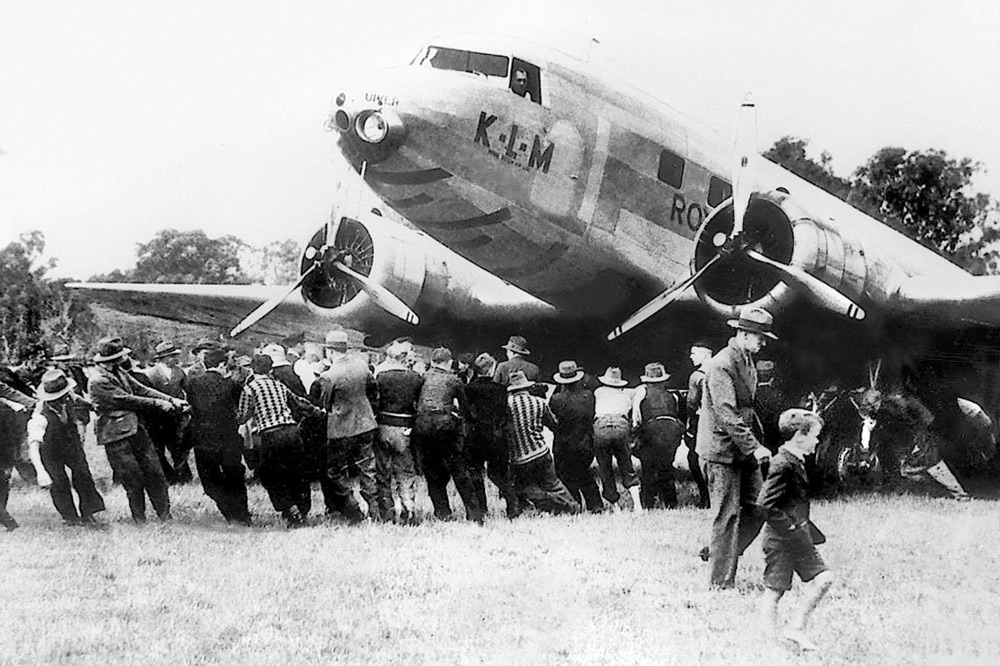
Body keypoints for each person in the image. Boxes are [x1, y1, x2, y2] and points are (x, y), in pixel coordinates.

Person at [697, 306, 775, 589]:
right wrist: (754, 447)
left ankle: (718, 551)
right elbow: (726, 412)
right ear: (743, 334)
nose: (763, 342)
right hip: (721, 450)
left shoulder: (746, 358)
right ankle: (720, 582)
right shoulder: (721, 364)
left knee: (760, 507)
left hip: (741, 447)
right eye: (759, 336)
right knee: (727, 515)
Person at [758, 409, 834, 651]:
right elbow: (764, 505)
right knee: (774, 592)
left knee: (824, 579)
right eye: (814, 435)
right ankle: (770, 645)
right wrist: (790, 526)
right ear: (799, 436)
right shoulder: (782, 464)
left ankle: (795, 628)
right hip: (782, 540)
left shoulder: (795, 460)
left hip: (798, 537)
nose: (817, 440)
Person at [88, 336, 186, 523]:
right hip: (115, 435)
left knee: (155, 473)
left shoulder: (119, 372)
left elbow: (140, 389)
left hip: (136, 429)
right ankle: (140, 520)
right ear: (112, 359)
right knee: (133, 478)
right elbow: (126, 399)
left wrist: (171, 400)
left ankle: (165, 516)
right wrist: (159, 404)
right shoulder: (98, 380)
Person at [239, 354, 320, 528]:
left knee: (271, 475)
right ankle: (302, 509)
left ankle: (289, 507)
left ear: (252, 369)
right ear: (270, 369)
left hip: (271, 435)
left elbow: (243, 416)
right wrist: (317, 412)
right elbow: (299, 403)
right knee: (297, 473)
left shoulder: (249, 388)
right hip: (292, 432)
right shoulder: (279, 385)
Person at [311, 330, 380, 523]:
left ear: (330, 351)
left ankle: (353, 509)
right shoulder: (362, 366)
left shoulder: (328, 376)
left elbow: (325, 404)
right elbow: (373, 392)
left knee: (335, 471)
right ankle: (376, 512)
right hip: (366, 424)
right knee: (368, 468)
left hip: (341, 430)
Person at [858, 388, 971, 500]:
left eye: (870, 407)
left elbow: (916, 423)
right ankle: (901, 488)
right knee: (918, 465)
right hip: (913, 433)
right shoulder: (884, 408)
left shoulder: (897, 406)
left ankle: (959, 494)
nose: (870, 411)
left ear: (877, 403)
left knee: (929, 465)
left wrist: (917, 443)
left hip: (921, 432)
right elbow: (869, 426)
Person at [26, 369, 106, 526]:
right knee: (59, 482)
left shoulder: (68, 397)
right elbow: (33, 447)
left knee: (83, 474)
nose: (64, 398)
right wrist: (41, 472)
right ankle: (70, 517)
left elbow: (77, 400)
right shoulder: (39, 417)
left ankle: (88, 512)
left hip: (70, 443)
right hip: (50, 451)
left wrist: (92, 406)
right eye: (59, 397)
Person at [414, 347, 483, 523]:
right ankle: (474, 514)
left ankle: (442, 512)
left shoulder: (422, 378)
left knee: (432, 471)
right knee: (459, 470)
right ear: (447, 362)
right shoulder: (454, 380)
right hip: (446, 428)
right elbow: (465, 409)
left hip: (423, 428)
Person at [184, 348, 250, 525]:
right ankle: (242, 515)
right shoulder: (233, 384)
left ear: (205, 364)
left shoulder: (192, 384)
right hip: (229, 436)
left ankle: (229, 511)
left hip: (203, 437)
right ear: (222, 365)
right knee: (234, 474)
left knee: (210, 480)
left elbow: (193, 408)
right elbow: (237, 409)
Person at [506, 370, 580, 515]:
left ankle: (549, 503)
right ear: (527, 386)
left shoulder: (506, 405)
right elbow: (553, 424)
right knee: (554, 484)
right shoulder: (539, 402)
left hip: (519, 457)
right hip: (540, 451)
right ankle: (573, 506)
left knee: (524, 487)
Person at [373, 340, 424, 523]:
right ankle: (409, 508)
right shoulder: (416, 378)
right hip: (405, 427)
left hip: (384, 426)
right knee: (405, 471)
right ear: (404, 358)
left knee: (383, 471)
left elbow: (375, 403)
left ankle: (387, 512)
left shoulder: (381, 377)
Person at [465, 352, 520, 518]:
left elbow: (466, 413)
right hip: (497, 435)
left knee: (475, 473)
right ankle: (513, 506)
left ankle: (482, 508)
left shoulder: (469, 389)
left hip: (475, 436)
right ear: (491, 370)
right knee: (500, 473)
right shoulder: (501, 389)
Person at [549, 360, 603, 512]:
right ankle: (595, 505)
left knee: (566, 477)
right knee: (584, 474)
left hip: (563, 444)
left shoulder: (556, 399)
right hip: (584, 442)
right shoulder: (589, 396)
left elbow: (551, 417)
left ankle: (574, 505)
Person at [632, 362, 684, 509]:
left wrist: (637, 432)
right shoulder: (672, 395)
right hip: (672, 430)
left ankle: (648, 502)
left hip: (651, 430)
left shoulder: (642, 394)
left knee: (648, 467)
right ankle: (670, 502)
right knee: (666, 466)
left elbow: (637, 418)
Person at [593, 366, 641, 511]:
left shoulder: (598, 392)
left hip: (601, 426)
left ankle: (616, 507)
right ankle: (638, 506)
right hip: (621, 425)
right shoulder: (626, 397)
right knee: (626, 464)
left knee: (605, 467)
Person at [144, 340, 192, 484]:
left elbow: (188, 390)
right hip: (158, 417)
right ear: (162, 358)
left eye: (175, 355)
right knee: (158, 449)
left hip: (176, 416)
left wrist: (187, 406)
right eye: (171, 356)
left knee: (178, 447)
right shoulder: (151, 374)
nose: (174, 359)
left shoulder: (179, 371)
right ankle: (168, 477)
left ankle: (184, 476)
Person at [0, 374, 36, 530]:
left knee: (3, 476)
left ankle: (3, 512)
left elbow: (7, 391)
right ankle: (6, 520)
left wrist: (34, 404)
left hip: (4, 433)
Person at [685, 342, 713, 508]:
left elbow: (691, 403)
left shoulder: (696, 376)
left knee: (694, 458)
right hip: (722, 421)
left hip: (701, 421)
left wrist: (690, 422)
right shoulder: (722, 369)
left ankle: (705, 498)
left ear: (706, 354)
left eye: (694, 353)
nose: (691, 356)